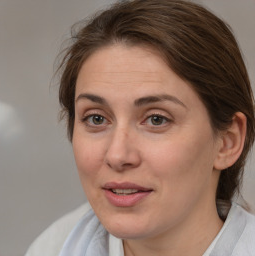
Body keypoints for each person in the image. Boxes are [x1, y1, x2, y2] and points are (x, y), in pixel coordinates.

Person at [26, 0, 255, 255]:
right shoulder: (54, 246)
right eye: (96, 119)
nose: (117, 155)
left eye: (157, 119)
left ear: (228, 141)